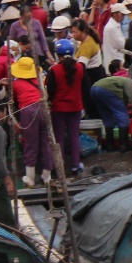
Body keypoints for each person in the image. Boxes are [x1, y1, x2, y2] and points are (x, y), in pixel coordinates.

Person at [45, 40, 86, 176]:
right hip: (76, 106)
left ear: (58, 54)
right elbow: (85, 86)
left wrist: (49, 101)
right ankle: (75, 165)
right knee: (74, 136)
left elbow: (50, 90)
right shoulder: (80, 67)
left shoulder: (54, 70)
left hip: (59, 108)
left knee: (59, 138)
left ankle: (59, 166)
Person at [11, 56, 53, 187]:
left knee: (30, 143)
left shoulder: (16, 84)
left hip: (28, 111)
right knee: (46, 142)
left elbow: (13, 102)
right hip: (44, 109)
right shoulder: (40, 80)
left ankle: (30, 178)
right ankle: (47, 176)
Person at [89, 69, 132, 153]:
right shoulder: (131, 84)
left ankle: (110, 146)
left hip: (94, 89)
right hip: (106, 90)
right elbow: (131, 101)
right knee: (122, 115)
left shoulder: (120, 79)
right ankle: (124, 146)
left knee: (107, 117)